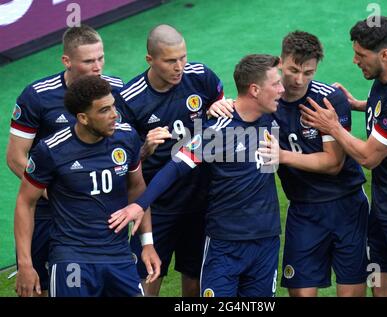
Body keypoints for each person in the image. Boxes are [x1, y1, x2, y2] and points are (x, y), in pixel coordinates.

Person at [209, 31, 369, 297]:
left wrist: (280, 155)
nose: (299, 80)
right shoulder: (268, 102)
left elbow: (333, 163)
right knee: (300, 293)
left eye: (308, 72)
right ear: (280, 61)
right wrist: (217, 107)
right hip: (303, 210)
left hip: (347, 207)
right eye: (293, 70)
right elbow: (240, 110)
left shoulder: (329, 100)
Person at [115, 54, 284, 297]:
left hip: (266, 241)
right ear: (255, 90)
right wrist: (140, 205)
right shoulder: (215, 132)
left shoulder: (271, 118)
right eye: (276, 84)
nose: (282, 89)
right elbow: (174, 168)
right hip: (224, 244)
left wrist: (356, 105)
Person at [300, 16, 387, 297]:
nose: (355, 60)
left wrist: (332, 126)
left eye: (360, 55)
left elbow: (367, 157)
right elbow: (385, 106)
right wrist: (358, 104)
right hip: (384, 205)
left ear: (385, 54)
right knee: (378, 288)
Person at [14, 76, 160, 297]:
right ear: (83, 117)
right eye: (104, 110)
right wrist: (25, 264)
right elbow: (25, 203)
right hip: (72, 257)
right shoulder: (51, 150)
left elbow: (137, 189)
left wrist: (147, 243)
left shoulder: (127, 137)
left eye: (113, 106)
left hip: (119, 254)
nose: (114, 115)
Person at [6, 25, 124, 296]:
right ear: (66, 61)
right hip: (48, 209)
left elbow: (126, 146)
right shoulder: (37, 96)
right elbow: (15, 158)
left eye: (100, 58)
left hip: (98, 209)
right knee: (38, 286)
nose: (97, 67)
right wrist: (60, 193)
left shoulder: (115, 89)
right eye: (88, 61)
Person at [115, 24, 224, 296]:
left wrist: (219, 108)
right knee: (146, 280)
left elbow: (225, 122)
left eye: (183, 57)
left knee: (196, 280)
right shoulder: (130, 100)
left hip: (202, 201)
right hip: (156, 207)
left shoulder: (201, 77)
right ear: (150, 60)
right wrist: (144, 150)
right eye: (170, 60)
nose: (179, 67)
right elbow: (121, 164)